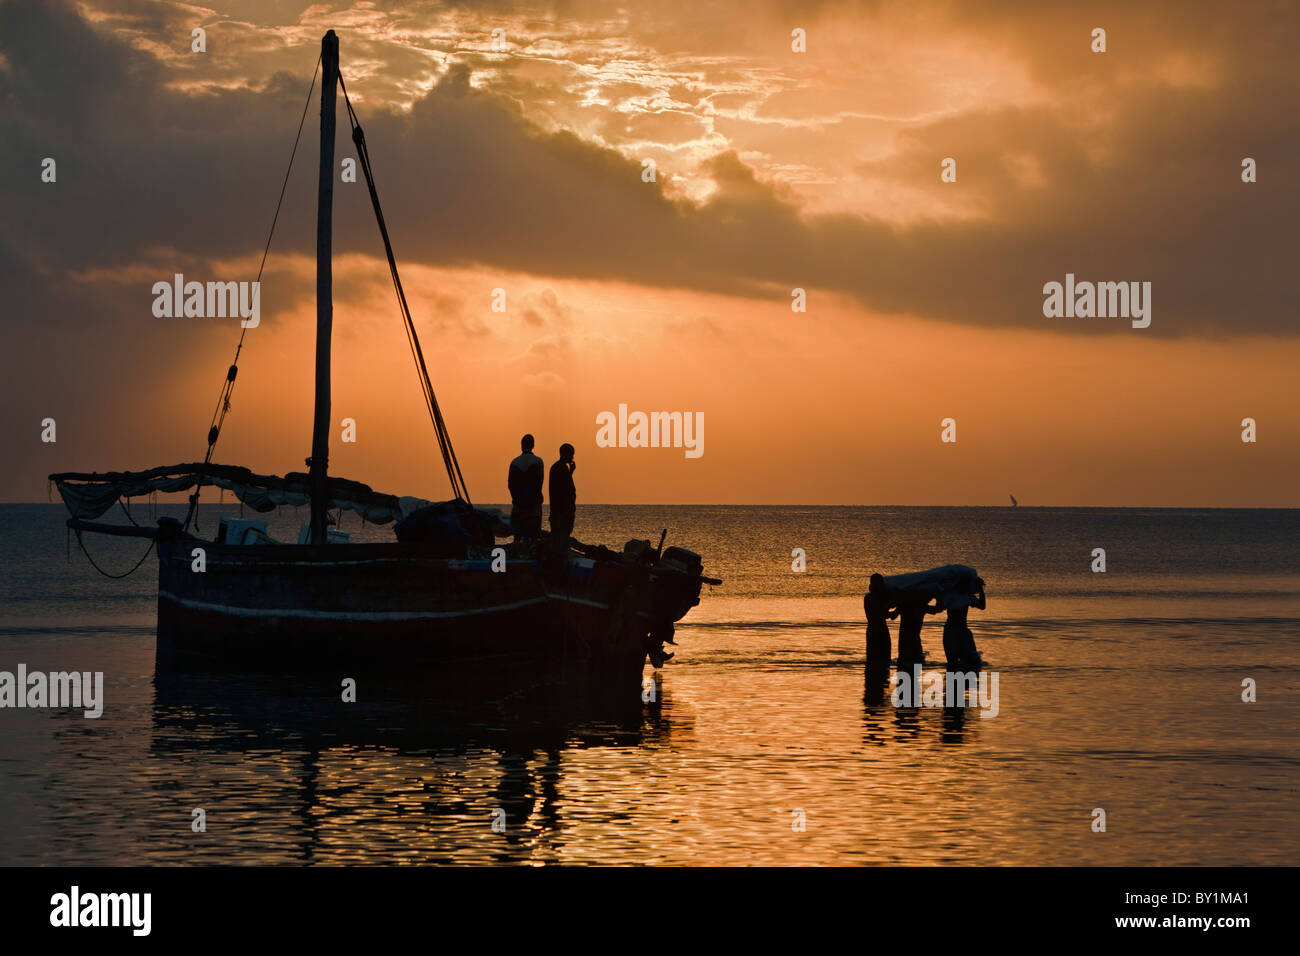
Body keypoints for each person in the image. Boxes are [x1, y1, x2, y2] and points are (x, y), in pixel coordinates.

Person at [507, 434, 544, 539]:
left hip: (518, 504)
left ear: (521, 445)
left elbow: (510, 484)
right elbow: (539, 484)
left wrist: (517, 499)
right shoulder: (538, 462)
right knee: (533, 536)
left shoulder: (514, 463)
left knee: (518, 535)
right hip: (534, 504)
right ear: (533, 445)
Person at [897, 595, 941, 666]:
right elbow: (938, 608)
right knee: (915, 661)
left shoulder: (906, 605)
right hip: (913, 641)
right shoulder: (921, 606)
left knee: (905, 662)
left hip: (906, 641)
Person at [548, 443, 577, 543]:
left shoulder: (559, 468)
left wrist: (570, 472)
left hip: (561, 513)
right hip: (561, 514)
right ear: (565, 454)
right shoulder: (560, 468)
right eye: (571, 454)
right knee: (561, 540)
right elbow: (563, 489)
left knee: (560, 539)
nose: (573, 457)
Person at [864, 573, 895, 662]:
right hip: (878, 631)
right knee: (882, 658)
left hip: (872, 630)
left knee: (873, 658)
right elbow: (885, 613)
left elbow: (888, 607)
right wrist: (899, 609)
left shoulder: (869, 597)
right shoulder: (873, 598)